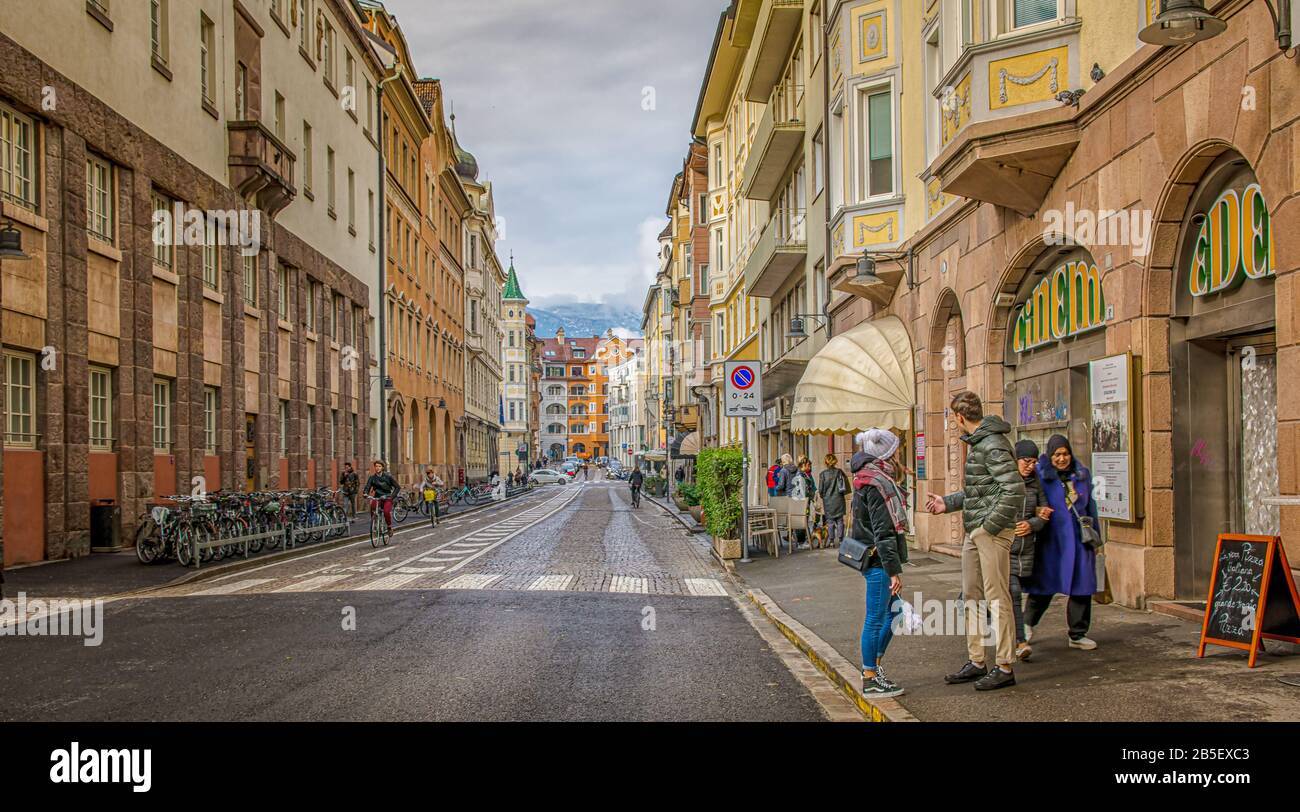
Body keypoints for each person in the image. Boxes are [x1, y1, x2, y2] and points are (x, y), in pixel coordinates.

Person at [924, 392, 1025, 691]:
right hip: (977, 529)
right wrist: (947, 503)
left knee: (997, 597)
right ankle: (977, 660)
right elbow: (979, 493)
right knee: (972, 596)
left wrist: (988, 527)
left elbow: (1014, 489)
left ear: (959, 417)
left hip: (989, 531)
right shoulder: (980, 442)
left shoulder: (991, 444)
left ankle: (1004, 665)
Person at [1025, 435, 1101, 650]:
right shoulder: (1040, 475)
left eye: (1065, 453)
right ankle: (1027, 625)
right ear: (1050, 456)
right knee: (1043, 585)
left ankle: (1077, 633)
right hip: (1051, 540)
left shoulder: (1082, 474)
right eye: (1057, 454)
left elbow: (1091, 507)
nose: (1062, 458)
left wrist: (1097, 538)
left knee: (1082, 586)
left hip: (1080, 540)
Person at [850, 429, 909, 698]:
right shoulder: (876, 483)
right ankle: (870, 676)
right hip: (877, 561)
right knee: (877, 618)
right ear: (886, 455)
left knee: (895, 613)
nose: (897, 457)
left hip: (877, 559)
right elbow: (883, 531)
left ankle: (875, 665)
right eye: (894, 452)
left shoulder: (873, 479)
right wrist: (893, 570)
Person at [1010, 439, 1049, 661]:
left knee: (1009, 594)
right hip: (1004, 547)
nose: (1030, 466)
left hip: (1025, 549)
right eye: (1026, 460)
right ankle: (1019, 641)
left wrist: (1032, 524)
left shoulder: (1036, 483)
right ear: (1016, 459)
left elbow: (1043, 515)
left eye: (1034, 461)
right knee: (1013, 592)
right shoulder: (1004, 480)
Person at [818, 454, 849, 549]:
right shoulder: (840, 472)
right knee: (840, 521)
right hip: (839, 499)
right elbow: (846, 486)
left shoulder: (823, 474)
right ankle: (840, 540)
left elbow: (821, 490)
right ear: (835, 461)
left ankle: (831, 541)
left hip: (828, 501)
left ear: (825, 462)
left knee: (830, 522)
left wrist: (823, 496)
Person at [363, 460, 400, 530]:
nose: (377, 468)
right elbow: (368, 486)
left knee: (386, 512)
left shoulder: (388, 477)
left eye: (379, 466)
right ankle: (375, 522)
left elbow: (397, 487)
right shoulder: (372, 478)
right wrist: (365, 493)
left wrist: (391, 497)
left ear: (382, 467)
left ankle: (389, 527)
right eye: (376, 466)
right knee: (373, 507)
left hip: (387, 497)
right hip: (377, 497)